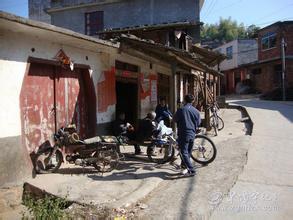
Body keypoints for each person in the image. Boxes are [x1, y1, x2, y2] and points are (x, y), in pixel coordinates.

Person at [173, 94, 201, 176]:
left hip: (183, 133)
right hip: (192, 133)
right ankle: (184, 166)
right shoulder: (196, 111)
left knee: (184, 152)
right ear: (192, 101)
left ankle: (192, 170)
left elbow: (174, 119)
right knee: (188, 152)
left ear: (184, 101)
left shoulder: (181, 109)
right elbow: (198, 122)